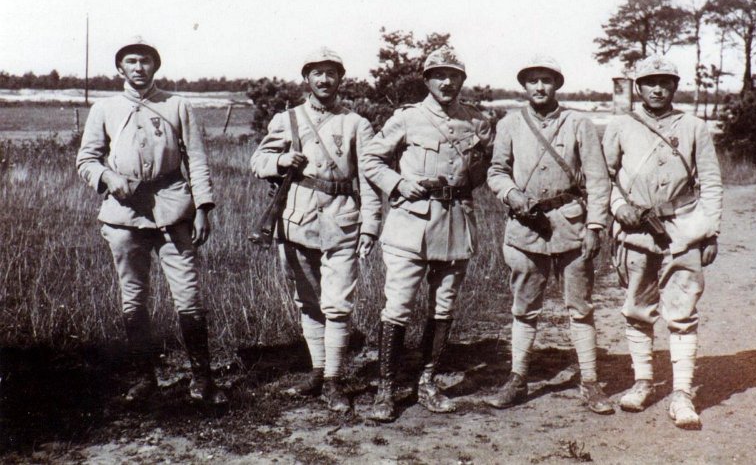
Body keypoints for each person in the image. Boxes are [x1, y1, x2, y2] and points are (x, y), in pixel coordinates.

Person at [76, 36, 227, 405]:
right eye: (131, 61)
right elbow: (87, 160)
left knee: (188, 296)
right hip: (124, 213)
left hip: (174, 209)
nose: (138, 67)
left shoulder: (177, 105)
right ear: (120, 69)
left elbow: (198, 159)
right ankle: (145, 378)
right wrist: (108, 178)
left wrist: (203, 207)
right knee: (134, 298)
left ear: (155, 66)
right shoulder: (105, 108)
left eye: (145, 61)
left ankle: (202, 378)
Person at [362, 47, 494, 422]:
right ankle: (385, 389)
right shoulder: (407, 118)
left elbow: (486, 166)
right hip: (411, 223)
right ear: (427, 79)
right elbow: (371, 159)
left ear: (463, 81)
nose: (447, 82)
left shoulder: (477, 122)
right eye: (439, 75)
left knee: (443, 306)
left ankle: (427, 383)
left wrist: (472, 177)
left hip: (456, 222)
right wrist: (399, 184)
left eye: (454, 75)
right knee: (398, 306)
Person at [250, 47, 382, 412]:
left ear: (341, 78)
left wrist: (370, 225)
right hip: (297, 221)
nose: (324, 80)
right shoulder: (287, 119)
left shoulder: (357, 124)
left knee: (337, 304)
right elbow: (257, 160)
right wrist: (279, 160)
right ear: (306, 78)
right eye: (317, 73)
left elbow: (370, 180)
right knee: (307, 301)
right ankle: (318, 371)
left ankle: (334, 382)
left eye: (331, 73)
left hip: (342, 220)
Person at [485, 56, 614, 414]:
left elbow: (598, 179)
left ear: (557, 84)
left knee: (581, 308)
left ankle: (590, 382)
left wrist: (595, 226)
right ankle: (517, 377)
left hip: (570, 226)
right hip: (525, 229)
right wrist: (512, 195)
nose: (539, 87)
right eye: (533, 80)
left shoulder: (579, 123)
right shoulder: (510, 124)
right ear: (524, 86)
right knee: (524, 308)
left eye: (547, 80)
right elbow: (496, 171)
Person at [602, 54, 722, 430]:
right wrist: (618, 207)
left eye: (665, 81)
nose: (657, 88)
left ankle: (682, 394)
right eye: (650, 82)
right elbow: (603, 177)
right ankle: (642, 382)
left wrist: (710, 230)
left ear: (675, 85)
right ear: (637, 87)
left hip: (683, 229)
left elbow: (712, 182)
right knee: (637, 309)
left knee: (683, 314)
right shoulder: (620, 125)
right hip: (637, 232)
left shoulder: (694, 127)